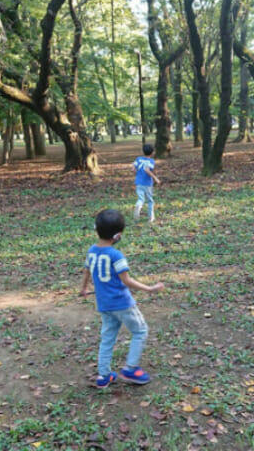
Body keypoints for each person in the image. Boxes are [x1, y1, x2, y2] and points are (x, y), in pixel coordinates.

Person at [80, 209, 165, 388]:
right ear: (118, 235)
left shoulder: (92, 251)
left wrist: (84, 288)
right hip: (122, 304)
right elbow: (126, 280)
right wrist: (149, 288)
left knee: (108, 337)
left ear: (96, 229)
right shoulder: (116, 256)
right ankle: (131, 368)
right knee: (140, 331)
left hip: (104, 305)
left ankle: (103, 376)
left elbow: (87, 271)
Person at [133, 144, 160, 223]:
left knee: (141, 199)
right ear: (152, 152)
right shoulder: (151, 161)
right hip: (147, 184)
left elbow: (133, 168)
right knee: (150, 200)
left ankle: (138, 205)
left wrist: (136, 172)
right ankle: (151, 218)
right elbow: (147, 170)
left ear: (143, 151)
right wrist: (155, 178)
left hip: (138, 182)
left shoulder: (138, 159)